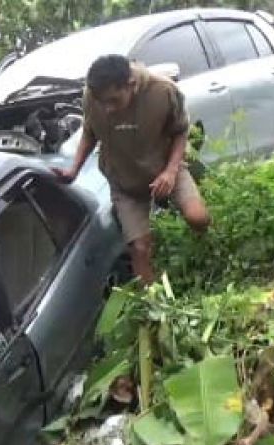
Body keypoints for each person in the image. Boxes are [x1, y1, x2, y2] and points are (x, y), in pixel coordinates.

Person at [54, 55, 211, 286]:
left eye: (113, 101)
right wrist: (73, 169)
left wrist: (169, 171)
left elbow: (180, 131)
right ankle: (155, 303)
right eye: (102, 102)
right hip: (124, 181)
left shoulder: (163, 91)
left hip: (165, 170)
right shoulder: (92, 96)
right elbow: (90, 131)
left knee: (198, 218)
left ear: (131, 85)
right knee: (139, 247)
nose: (107, 109)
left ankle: (206, 254)